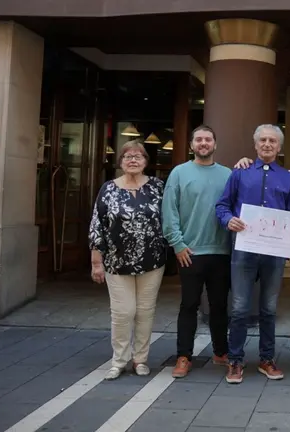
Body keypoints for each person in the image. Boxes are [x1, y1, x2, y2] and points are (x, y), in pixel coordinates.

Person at [216, 124, 290, 384]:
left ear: (279, 146)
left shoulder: (287, 178)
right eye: (262, 140)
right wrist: (229, 220)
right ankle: (235, 360)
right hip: (244, 250)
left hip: (273, 255)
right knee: (240, 308)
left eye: (272, 141)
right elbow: (222, 205)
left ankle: (266, 359)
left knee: (269, 308)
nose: (267, 144)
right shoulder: (239, 173)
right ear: (255, 145)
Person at [88, 140, 167, 380]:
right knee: (123, 312)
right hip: (116, 261)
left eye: (138, 156)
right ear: (120, 161)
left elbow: (172, 217)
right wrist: (96, 261)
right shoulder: (108, 189)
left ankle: (140, 359)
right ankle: (118, 361)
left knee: (145, 311)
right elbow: (97, 224)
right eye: (127, 156)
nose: (133, 160)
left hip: (151, 260)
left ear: (146, 162)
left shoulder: (158, 187)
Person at [163, 125, 232, 379]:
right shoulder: (179, 173)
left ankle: (221, 352)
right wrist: (177, 244)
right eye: (199, 140)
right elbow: (169, 211)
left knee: (219, 306)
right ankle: (184, 356)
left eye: (208, 139)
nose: (204, 143)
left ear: (215, 144)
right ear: (192, 145)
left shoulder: (228, 174)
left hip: (221, 251)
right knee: (189, 305)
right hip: (189, 251)